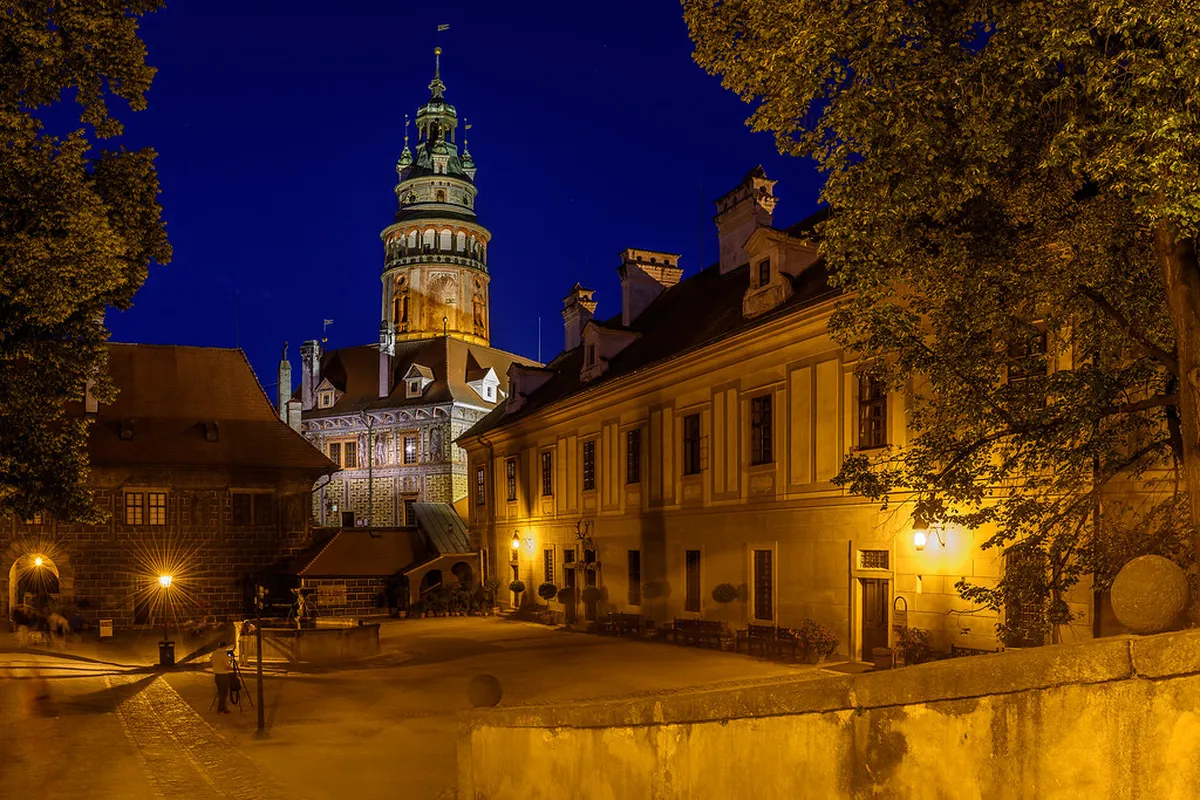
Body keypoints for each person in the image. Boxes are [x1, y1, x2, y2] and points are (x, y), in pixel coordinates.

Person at [210, 641, 233, 714]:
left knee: (220, 692)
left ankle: (223, 708)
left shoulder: (213, 654)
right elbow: (226, 666)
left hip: (217, 676)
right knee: (224, 693)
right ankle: (220, 708)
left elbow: (212, 662)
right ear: (224, 647)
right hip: (224, 675)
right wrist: (230, 667)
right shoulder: (223, 654)